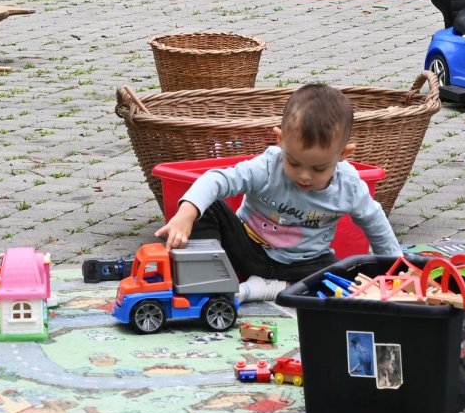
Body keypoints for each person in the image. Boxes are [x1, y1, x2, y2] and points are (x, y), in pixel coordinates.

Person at [156, 84, 403, 298]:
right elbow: (216, 179)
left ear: (343, 155)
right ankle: (211, 282)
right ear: (280, 140)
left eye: (319, 168)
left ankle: (271, 288)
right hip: (248, 249)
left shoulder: (348, 185)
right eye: (294, 162)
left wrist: (397, 271)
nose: (304, 175)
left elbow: (375, 222)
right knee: (207, 207)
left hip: (306, 263)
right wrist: (186, 214)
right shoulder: (267, 166)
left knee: (345, 280)